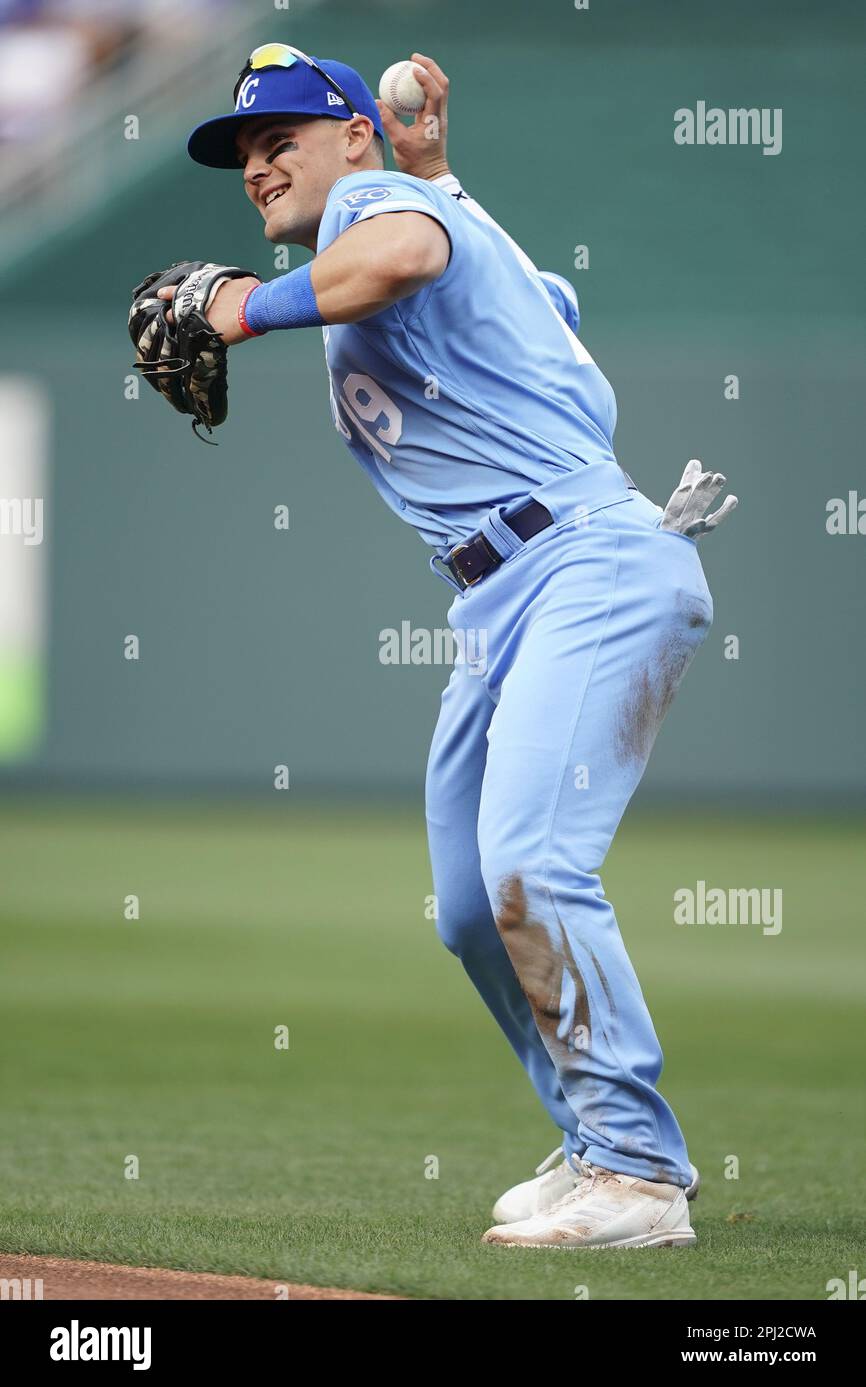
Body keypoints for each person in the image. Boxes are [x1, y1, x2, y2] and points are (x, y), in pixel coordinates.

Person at [168, 44, 737, 1248]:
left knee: (531, 862)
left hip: (582, 557)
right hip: (500, 594)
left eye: (285, 137)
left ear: (355, 136)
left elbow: (405, 253)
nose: (260, 163)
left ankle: (638, 1174)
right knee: (472, 907)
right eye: (243, 152)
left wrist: (241, 304)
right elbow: (508, 289)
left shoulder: (380, 215)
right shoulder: (414, 201)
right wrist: (440, 173)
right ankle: (594, 1137)